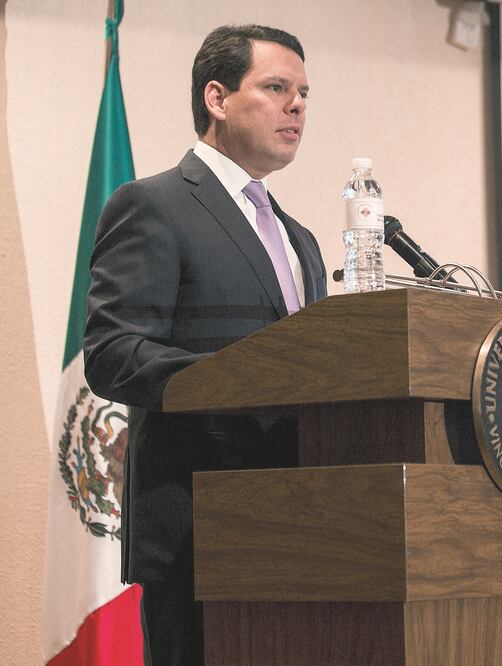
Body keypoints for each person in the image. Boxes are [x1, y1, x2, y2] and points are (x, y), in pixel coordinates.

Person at [84, 24, 327, 663]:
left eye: (303, 92)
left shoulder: (300, 238)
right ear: (216, 99)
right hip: (198, 532)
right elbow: (113, 352)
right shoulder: (154, 205)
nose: (296, 105)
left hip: (300, 532)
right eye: (276, 88)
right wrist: (243, 378)